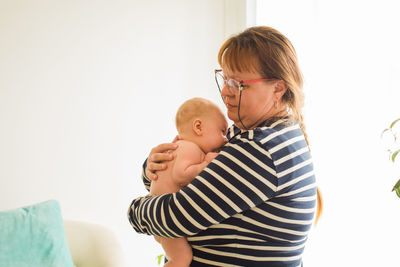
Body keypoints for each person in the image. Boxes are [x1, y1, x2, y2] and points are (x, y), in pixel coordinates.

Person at [128, 26, 322, 266]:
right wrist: (153, 167)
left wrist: (135, 210)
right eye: (225, 79)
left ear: (278, 89)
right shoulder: (251, 134)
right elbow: (183, 180)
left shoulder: (260, 149)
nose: (226, 92)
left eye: (240, 84)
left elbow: (176, 217)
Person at [149, 97, 228, 267]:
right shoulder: (189, 148)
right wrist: (205, 164)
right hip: (165, 220)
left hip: (160, 216)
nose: (225, 139)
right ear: (198, 127)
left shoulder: (178, 145)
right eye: (222, 131)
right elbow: (181, 176)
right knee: (181, 259)